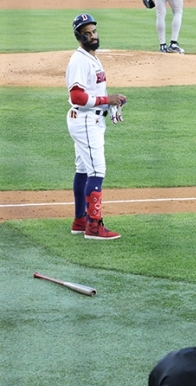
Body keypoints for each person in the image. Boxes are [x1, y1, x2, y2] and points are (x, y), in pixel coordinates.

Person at [66, 13, 127, 240]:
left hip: (90, 119)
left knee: (83, 169)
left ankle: (80, 220)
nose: (92, 36)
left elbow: (93, 92)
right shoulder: (80, 60)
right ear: (78, 36)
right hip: (85, 120)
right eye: (87, 33)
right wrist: (105, 100)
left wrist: (111, 101)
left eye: (94, 32)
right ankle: (94, 226)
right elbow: (77, 96)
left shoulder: (91, 57)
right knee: (97, 171)